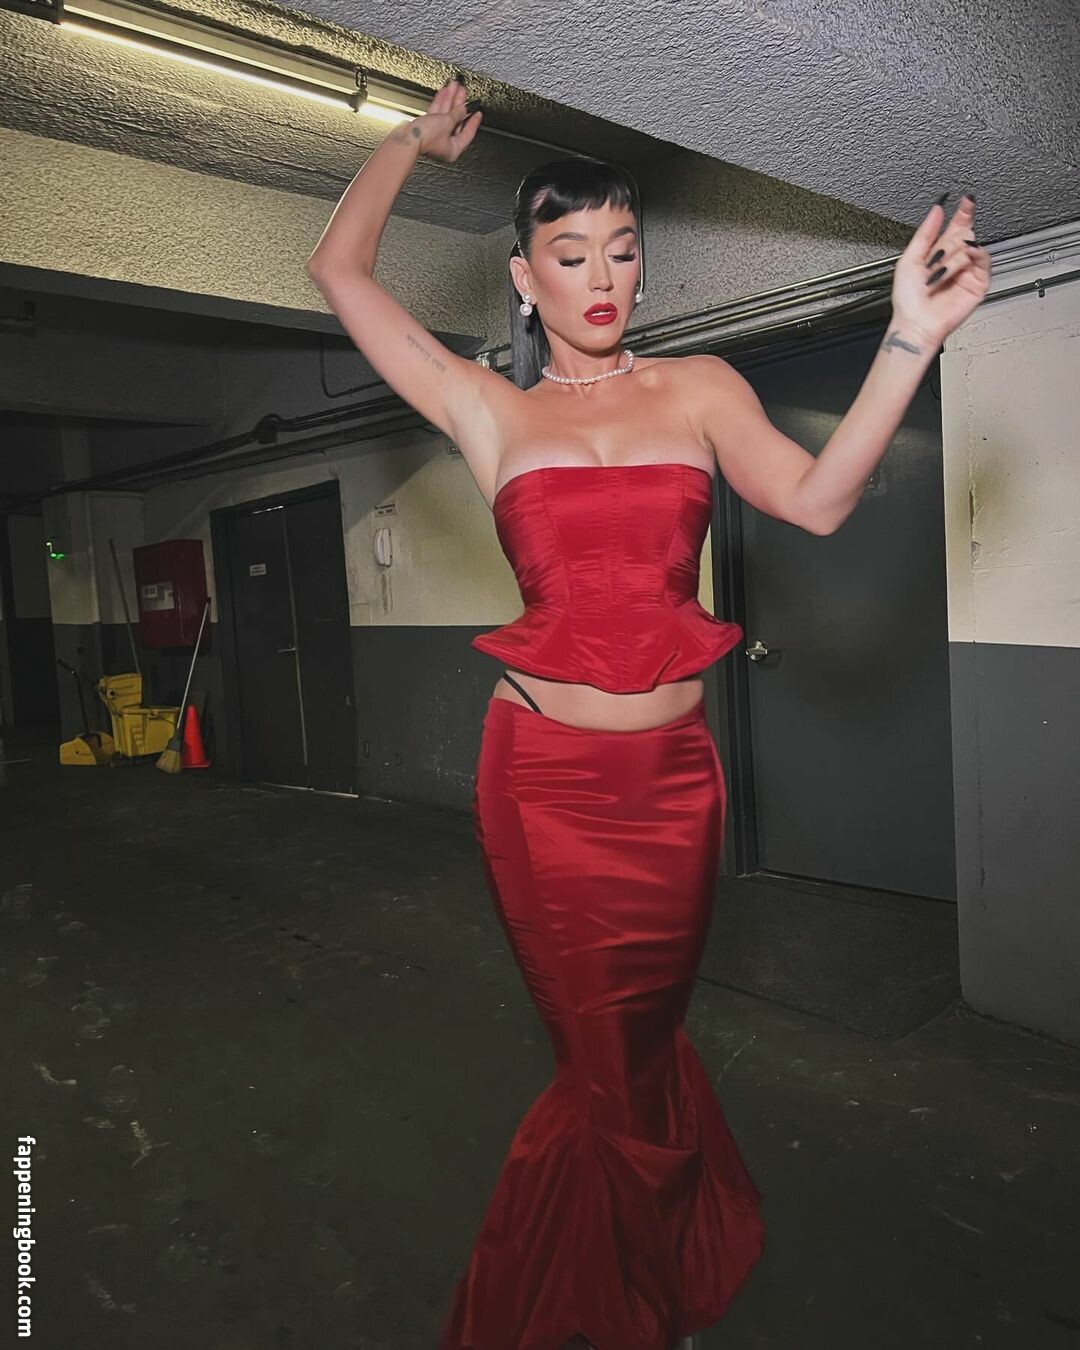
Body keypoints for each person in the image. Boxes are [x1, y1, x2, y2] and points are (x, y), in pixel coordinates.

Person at [306, 76, 990, 1350]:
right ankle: (622, 1307)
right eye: (571, 254)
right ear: (525, 280)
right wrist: (407, 143)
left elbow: (822, 500)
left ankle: (657, 1256)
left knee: (645, 1039)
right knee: (598, 1062)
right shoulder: (487, 408)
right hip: (542, 786)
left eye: (622, 249)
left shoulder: (701, 388)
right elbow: (338, 271)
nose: (602, 276)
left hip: (674, 786)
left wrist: (912, 336)